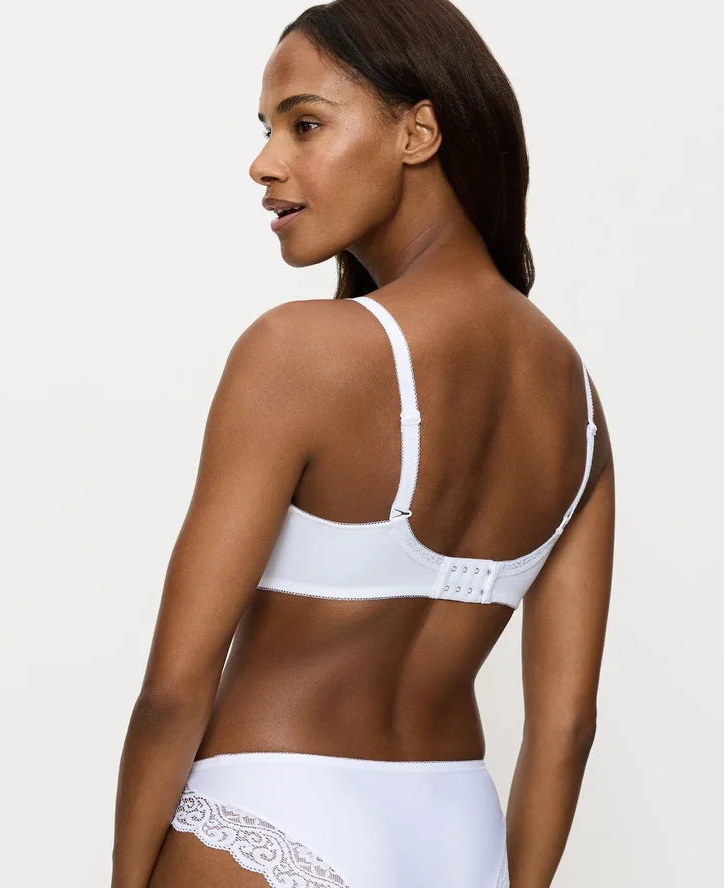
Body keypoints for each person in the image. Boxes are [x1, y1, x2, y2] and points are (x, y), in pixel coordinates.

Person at [110, 2, 615, 886]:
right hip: (460, 831)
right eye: (267, 130)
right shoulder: (576, 401)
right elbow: (567, 727)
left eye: (304, 124)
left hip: (272, 807)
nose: (265, 163)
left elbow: (172, 692)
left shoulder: (301, 351)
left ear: (418, 133)